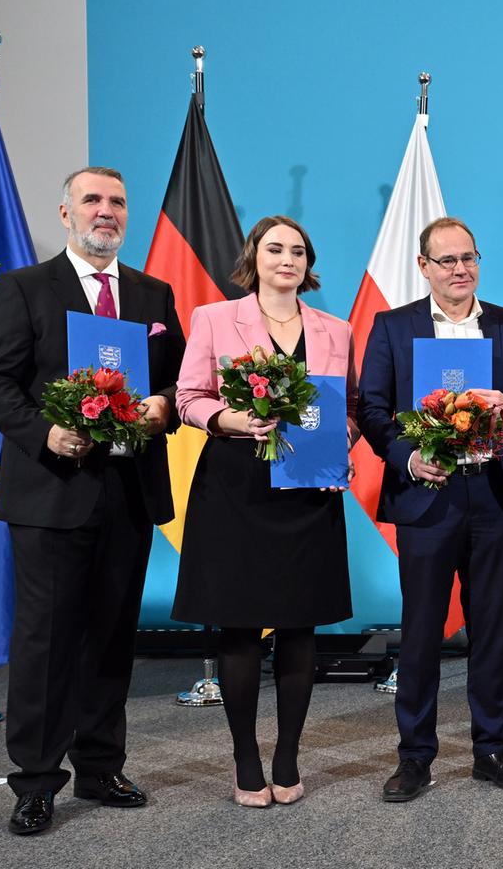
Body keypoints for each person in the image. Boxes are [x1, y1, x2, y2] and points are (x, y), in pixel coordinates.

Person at [0, 166, 183, 836]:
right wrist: (44, 432)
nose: (107, 211)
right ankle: (34, 781)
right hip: (50, 496)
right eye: (92, 200)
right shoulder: (27, 288)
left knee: (113, 636)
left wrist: (163, 408)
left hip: (127, 491)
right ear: (65, 214)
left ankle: (99, 764)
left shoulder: (153, 292)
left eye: (118, 201)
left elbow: (179, 384)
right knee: (47, 641)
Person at [359, 216, 503, 802]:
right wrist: (409, 458)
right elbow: (371, 408)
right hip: (427, 496)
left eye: (469, 257)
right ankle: (415, 755)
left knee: (491, 630)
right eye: (447, 261)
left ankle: (491, 749)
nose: (461, 269)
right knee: (421, 631)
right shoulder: (394, 326)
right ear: (423, 267)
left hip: (491, 495)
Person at [171, 216, 355, 807]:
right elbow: (189, 397)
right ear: (255, 256)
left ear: (308, 263)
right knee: (241, 624)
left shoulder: (336, 329)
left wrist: (337, 447)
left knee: (301, 626)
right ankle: (245, 757)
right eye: (275, 248)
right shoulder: (215, 319)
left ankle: (287, 756)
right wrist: (230, 420)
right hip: (235, 484)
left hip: (308, 488)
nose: (287, 259)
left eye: (298, 251)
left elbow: (347, 410)